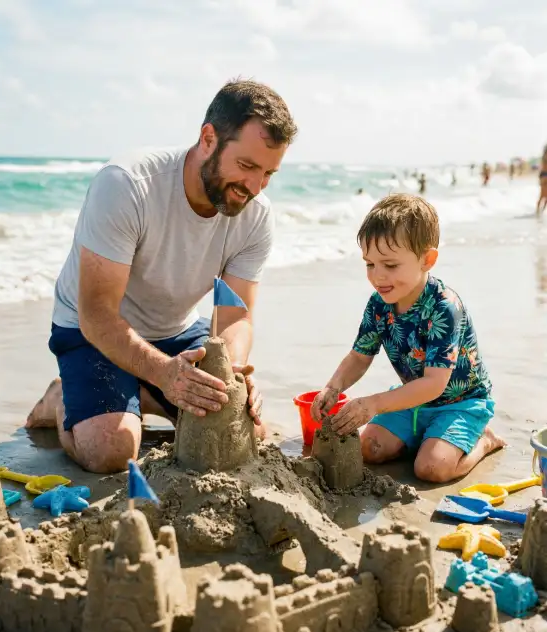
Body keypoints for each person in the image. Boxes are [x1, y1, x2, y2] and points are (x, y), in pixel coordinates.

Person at [26, 79, 297, 473]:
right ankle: (61, 397)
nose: (254, 187)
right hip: (91, 330)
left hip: (174, 329)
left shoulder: (257, 215)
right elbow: (97, 315)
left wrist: (230, 374)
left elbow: (237, 317)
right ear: (208, 139)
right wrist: (164, 374)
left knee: (243, 432)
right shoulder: (127, 185)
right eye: (247, 166)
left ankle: (136, 392)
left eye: (269, 173)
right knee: (111, 450)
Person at [311, 194, 505, 483]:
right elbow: (359, 356)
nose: (378, 277)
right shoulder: (379, 304)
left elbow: (434, 384)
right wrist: (333, 386)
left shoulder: (444, 307)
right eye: (369, 264)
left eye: (390, 265)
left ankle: (483, 442)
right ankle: (425, 439)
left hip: (460, 402)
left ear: (427, 260)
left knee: (431, 469)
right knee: (368, 449)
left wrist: (374, 403)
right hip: (414, 399)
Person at [536, 145, 547, 218]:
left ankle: (540, 212)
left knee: (543, 196)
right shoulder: (545, 156)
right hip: (544, 175)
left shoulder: (544, 156)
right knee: (543, 195)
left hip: (543, 175)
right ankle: (538, 212)